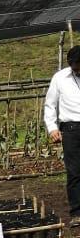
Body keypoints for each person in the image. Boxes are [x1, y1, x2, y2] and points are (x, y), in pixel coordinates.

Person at [43, 45, 80, 223]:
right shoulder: (60, 78)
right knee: (74, 172)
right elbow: (50, 104)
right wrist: (52, 128)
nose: (78, 70)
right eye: (76, 68)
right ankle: (76, 212)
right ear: (70, 65)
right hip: (71, 128)